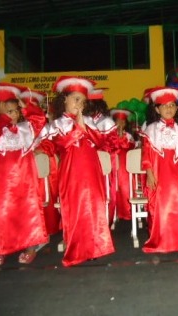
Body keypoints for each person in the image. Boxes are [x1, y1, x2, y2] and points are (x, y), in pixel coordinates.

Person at [0, 83, 48, 266]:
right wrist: (3, 118)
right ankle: (0, 249)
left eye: (15, 111)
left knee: (28, 212)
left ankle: (31, 246)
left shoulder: (25, 129)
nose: (13, 115)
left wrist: (27, 107)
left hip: (25, 180)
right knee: (1, 213)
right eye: (8, 111)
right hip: (0, 183)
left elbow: (40, 120)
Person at [48, 76, 114, 267]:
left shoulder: (89, 121)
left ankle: (95, 247)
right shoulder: (58, 123)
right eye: (76, 99)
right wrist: (78, 127)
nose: (79, 104)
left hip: (91, 168)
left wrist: (84, 125)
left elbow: (100, 142)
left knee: (94, 205)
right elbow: (61, 145)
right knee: (76, 207)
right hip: (72, 170)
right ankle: (77, 248)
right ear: (65, 100)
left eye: (83, 101)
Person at [140, 87, 178, 253]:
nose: (168, 109)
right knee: (159, 205)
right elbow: (146, 155)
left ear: (177, 108)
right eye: (164, 106)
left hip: (177, 173)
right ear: (157, 109)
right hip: (158, 172)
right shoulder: (150, 130)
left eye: (172, 105)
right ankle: (160, 239)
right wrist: (149, 174)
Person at [20, 89, 61, 236]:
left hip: (45, 161)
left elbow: (53, 143)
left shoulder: (46, 126)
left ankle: (48, 226)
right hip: (25, 165)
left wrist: (39, 150)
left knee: (46, 193)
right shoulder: (19, 127)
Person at [85, 89, 118, 226]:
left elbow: (113, 144)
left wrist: (98, 149)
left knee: (105, 191)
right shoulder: (85, 120)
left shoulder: (107, 122)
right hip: (87, 161)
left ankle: (104, 220)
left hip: (104, 161)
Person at [109, 109, 136, 221]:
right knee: (113, 186)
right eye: (118, 121)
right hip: (113, 162)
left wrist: (122, 138)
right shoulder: (110, 135)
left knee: (125, 185)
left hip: (125, 163)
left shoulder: (128, 135)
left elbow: (131, 147)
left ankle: (127, 211)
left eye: (123, 122)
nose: (120, 124)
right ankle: (113, 211)